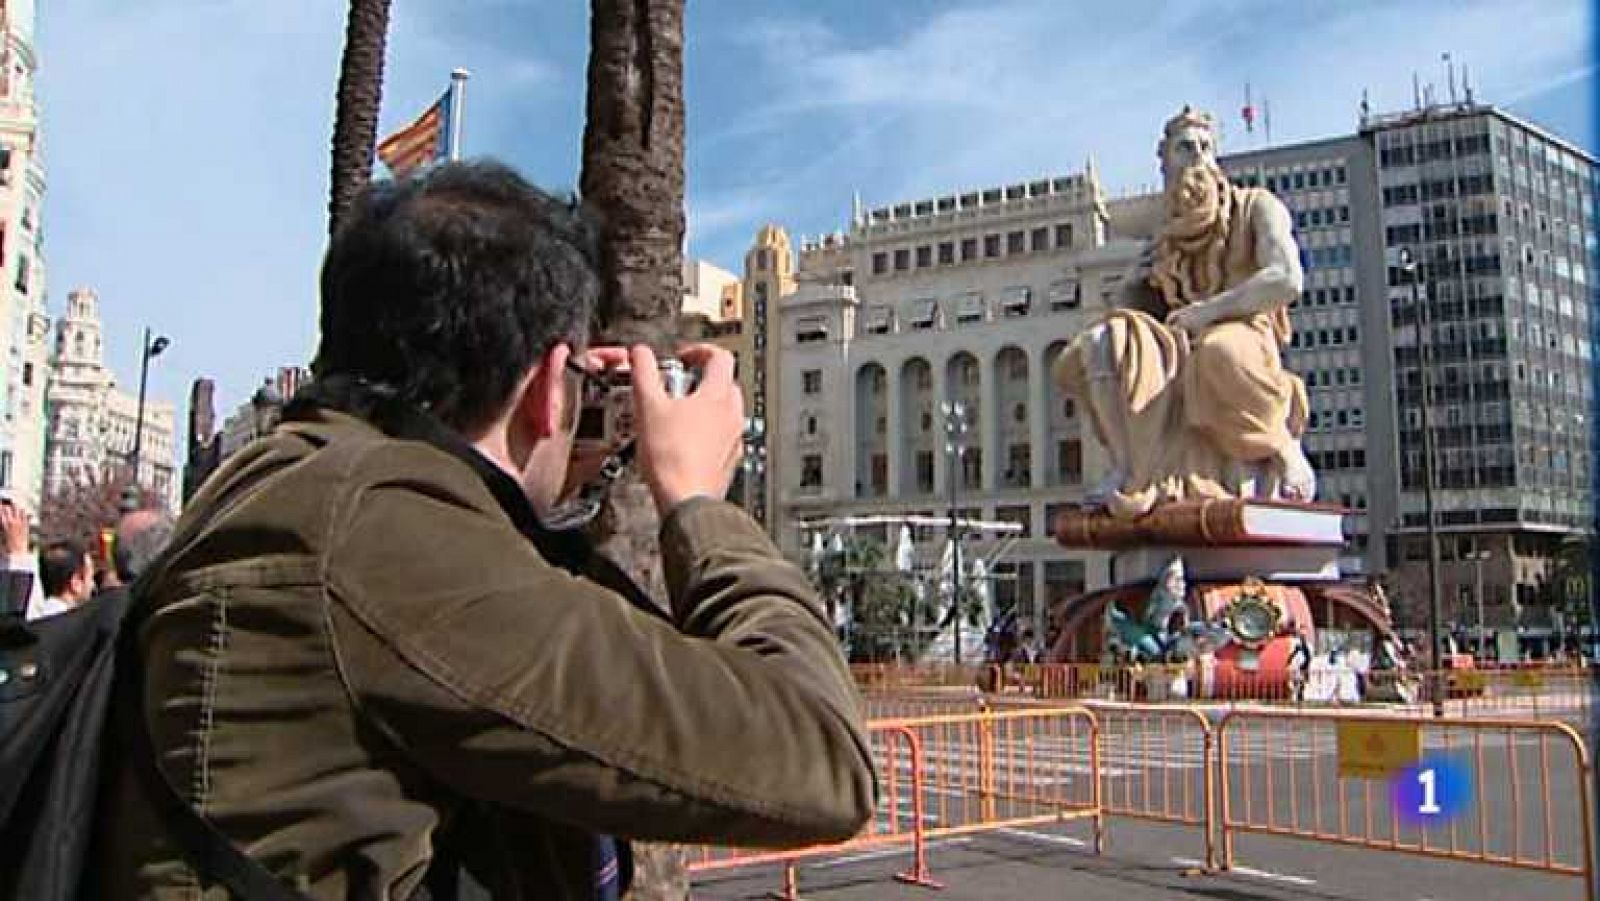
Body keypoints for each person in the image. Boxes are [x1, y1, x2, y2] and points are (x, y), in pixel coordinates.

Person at [95, 161, 875, 898]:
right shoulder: (382, 535)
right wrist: (699, 505)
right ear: (546, 386)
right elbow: (822, 757)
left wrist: (544, 477)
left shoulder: (301, 480)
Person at [1054, 106, 1314, 519]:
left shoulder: (1257, 206)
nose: (1195, 157)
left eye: (1204, 148)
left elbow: (1286, 279)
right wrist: (1130, 291)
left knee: (1218, 351)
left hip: (1242, 331)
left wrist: (1207, 312)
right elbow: (1147, 314)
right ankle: (1131, 470)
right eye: (1184, 148)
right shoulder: (1164, 241)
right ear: (1165, 161)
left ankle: (1282, 448)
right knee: (1099, 345)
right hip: (1177, 340)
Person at [36, 540, 95, 620]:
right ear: (76, 582)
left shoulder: (33, 620)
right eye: (90, 578)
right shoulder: (73, 626)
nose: (93, 585)